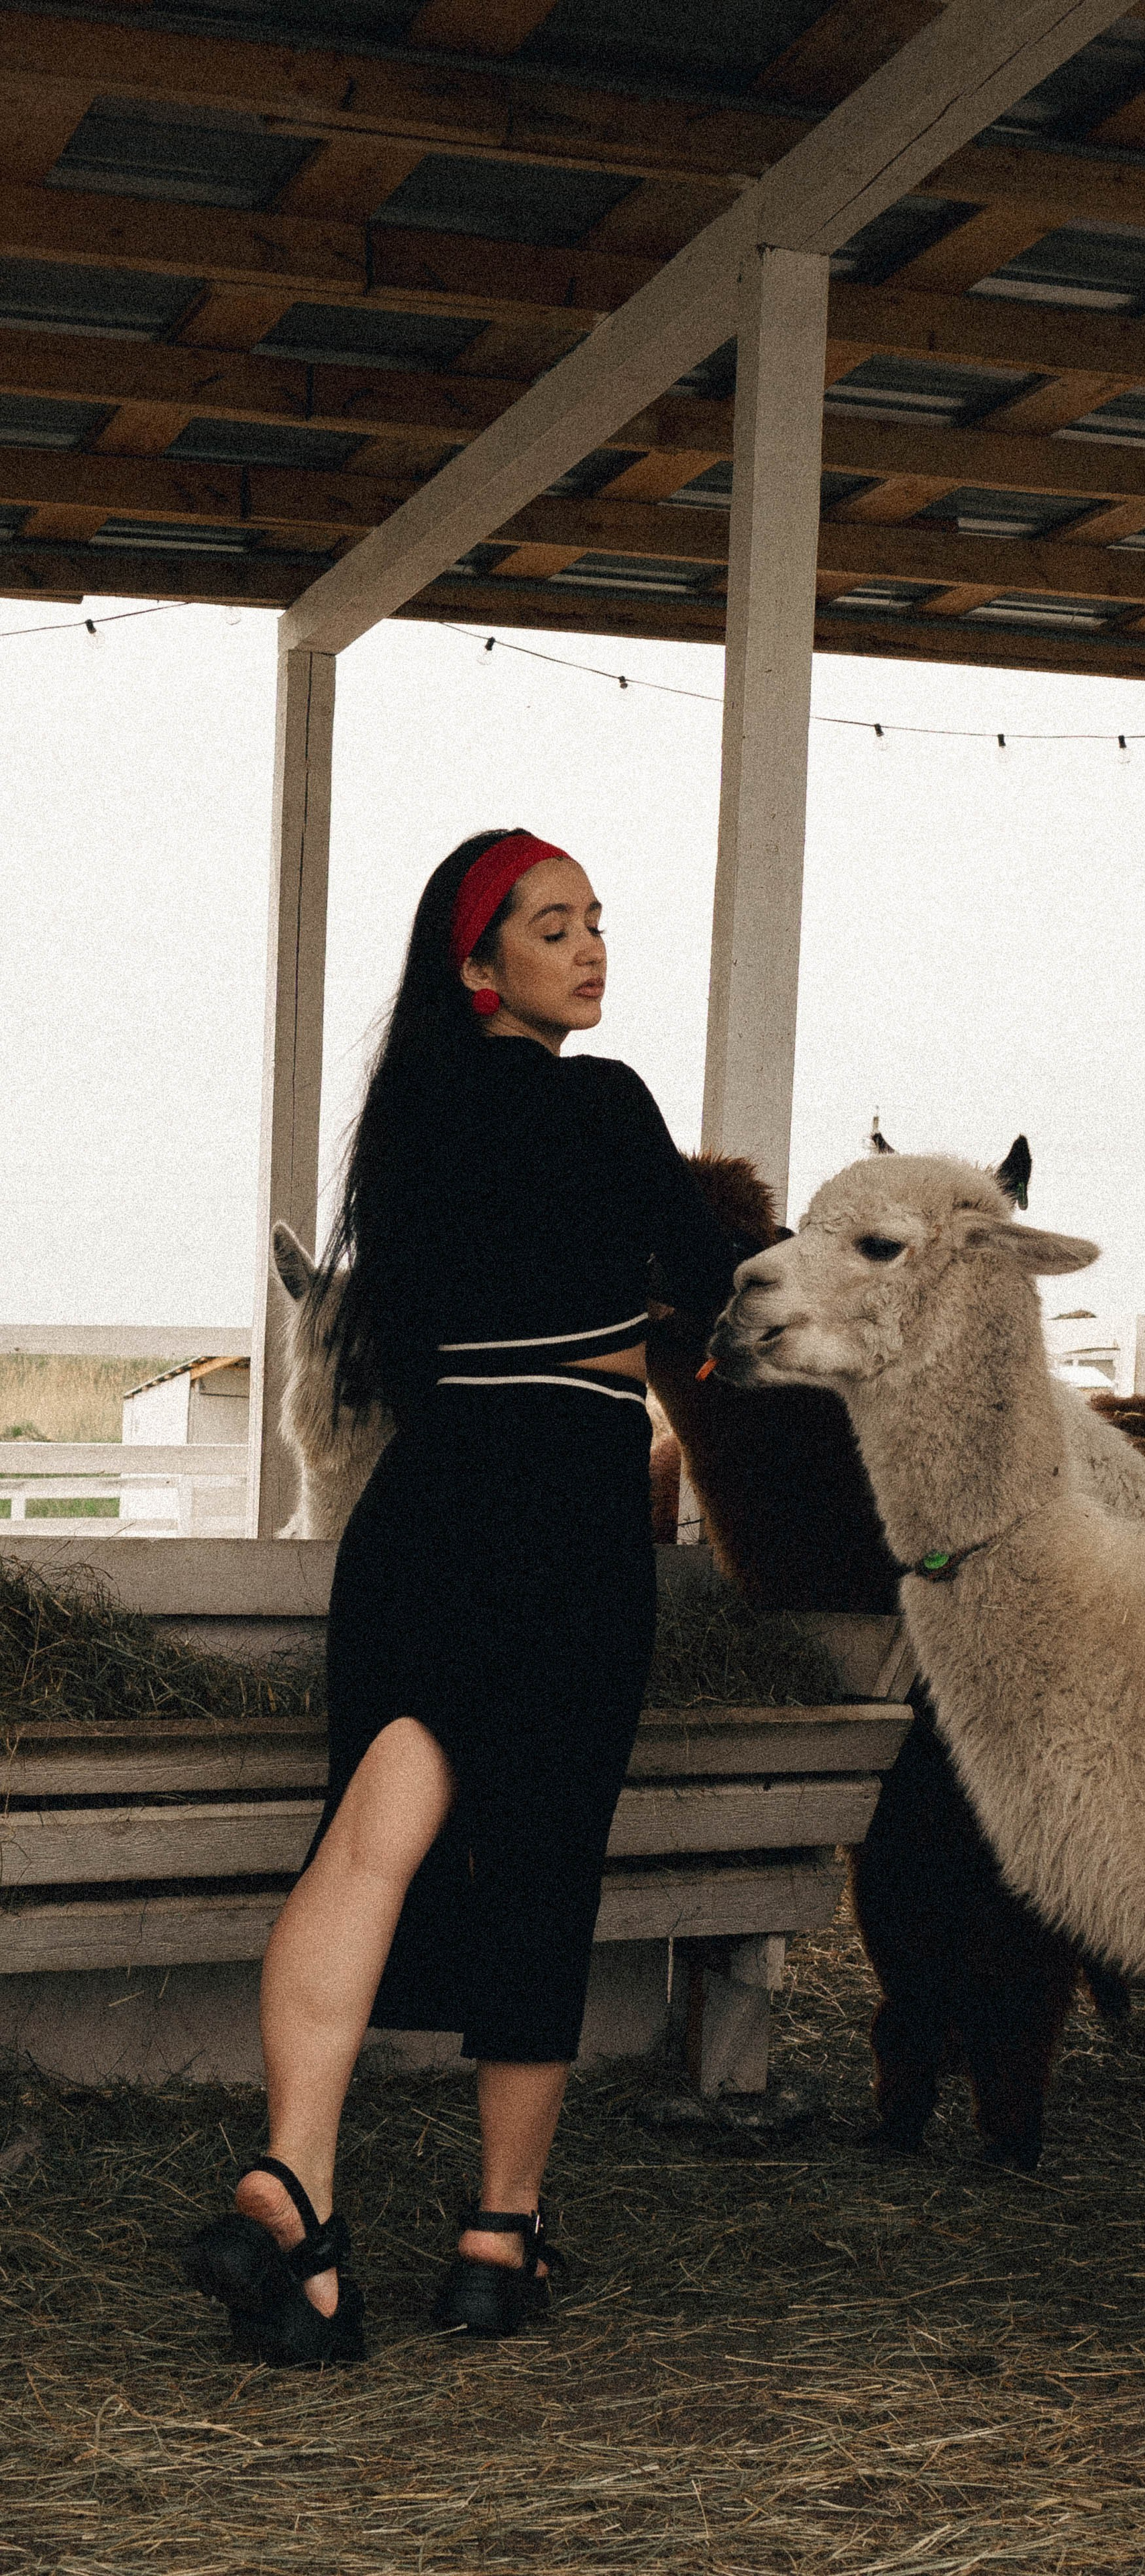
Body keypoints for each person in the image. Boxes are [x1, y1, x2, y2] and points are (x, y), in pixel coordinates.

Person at [184, 828, 747, 2365]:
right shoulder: (603, 1100)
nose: (588, 947)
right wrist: (653, 1329)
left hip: (423, 1513)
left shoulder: (406, 1106)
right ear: (475, 959)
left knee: (369, 1842)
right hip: (562, 1513)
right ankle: (498, 2240)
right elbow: (716, 1282)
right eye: (549, 926)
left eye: (595, 922)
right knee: (544, 1858)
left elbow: (428, 1318)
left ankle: (295, 2191)